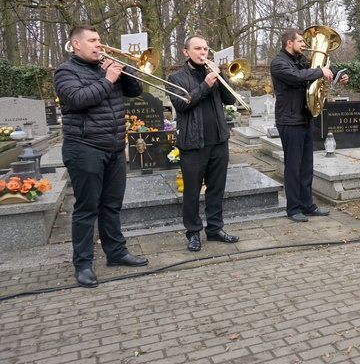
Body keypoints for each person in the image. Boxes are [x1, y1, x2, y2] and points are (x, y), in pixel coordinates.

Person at [54, 25, 149, 288]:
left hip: (114, 147)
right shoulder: (66, 71)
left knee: (112, 205)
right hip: (84, 147)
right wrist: (107, 79)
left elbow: (136, 91)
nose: (100, 45)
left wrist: (123, 70)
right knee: (86, 209)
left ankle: (116, 253)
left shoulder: (106, 67)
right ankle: (83, 265)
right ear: (76, 44)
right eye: (93, 41)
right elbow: (77, 100)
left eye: (100, 40)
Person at [167, 35, 240, 252]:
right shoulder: (176, 77)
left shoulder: (213, 74)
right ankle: (193, 233)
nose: (202, 53)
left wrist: (221, 77)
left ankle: (215, 228)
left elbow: (230, 100)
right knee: (192, 191)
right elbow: (181, 104)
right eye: (197, 49)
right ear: (186, 52)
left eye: (205, 49)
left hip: (218, 140)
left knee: (216, 189)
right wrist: (206, 85)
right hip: (192, 143)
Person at [270, 28, 349, 222]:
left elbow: (320, 66)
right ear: (289, 43)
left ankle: (307, 205)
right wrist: (319, 71)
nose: (304, 44)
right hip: (289, 121)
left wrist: (338, 75)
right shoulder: (279, 63)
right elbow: (297, 76)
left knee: (306, 166)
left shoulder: (301, 60)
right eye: (300, 41)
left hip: (304, 117)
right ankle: (293, 208)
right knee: (293, 166)